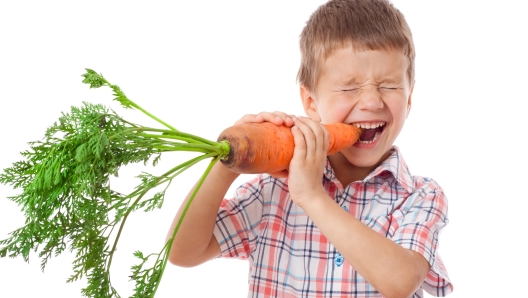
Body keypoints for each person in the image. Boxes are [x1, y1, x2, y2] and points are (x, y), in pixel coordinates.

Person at [166, 0, 453, 297]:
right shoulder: (272, 191)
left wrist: (312, 197)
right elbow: (181, 252)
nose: (371, 102)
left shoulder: (421, 196)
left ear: (409, 98)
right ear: (311, 103)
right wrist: (228, 163)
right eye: (349, 87)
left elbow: (401, 281)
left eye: (389, 85)